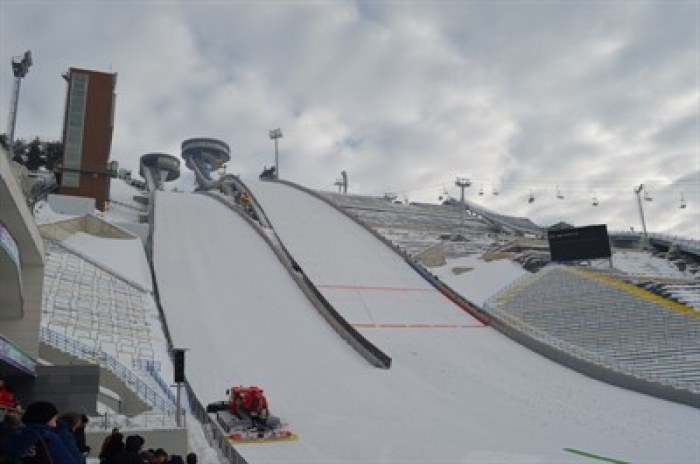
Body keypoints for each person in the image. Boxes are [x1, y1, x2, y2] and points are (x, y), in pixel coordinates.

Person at [4, 401, 80, 464]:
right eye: (54, 420)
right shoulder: (48, 437)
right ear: (45, 419)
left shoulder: (15, 435)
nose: (55, 424)